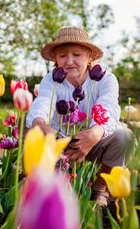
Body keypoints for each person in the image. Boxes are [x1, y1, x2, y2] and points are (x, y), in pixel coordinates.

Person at [26, 26, 133, 206]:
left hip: (96, 139)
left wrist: (94, 133)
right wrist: (39, 124)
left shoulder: (106, 79)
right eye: (62, 56)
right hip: (61, 140)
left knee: (124, 136)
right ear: (55, 59)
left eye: (76, 54)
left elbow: (108, 108)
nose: (69, 61)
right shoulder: (51, 80)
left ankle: (100, 188)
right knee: (33, 135)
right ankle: (57, 190)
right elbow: (43, 102)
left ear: (89, 56)